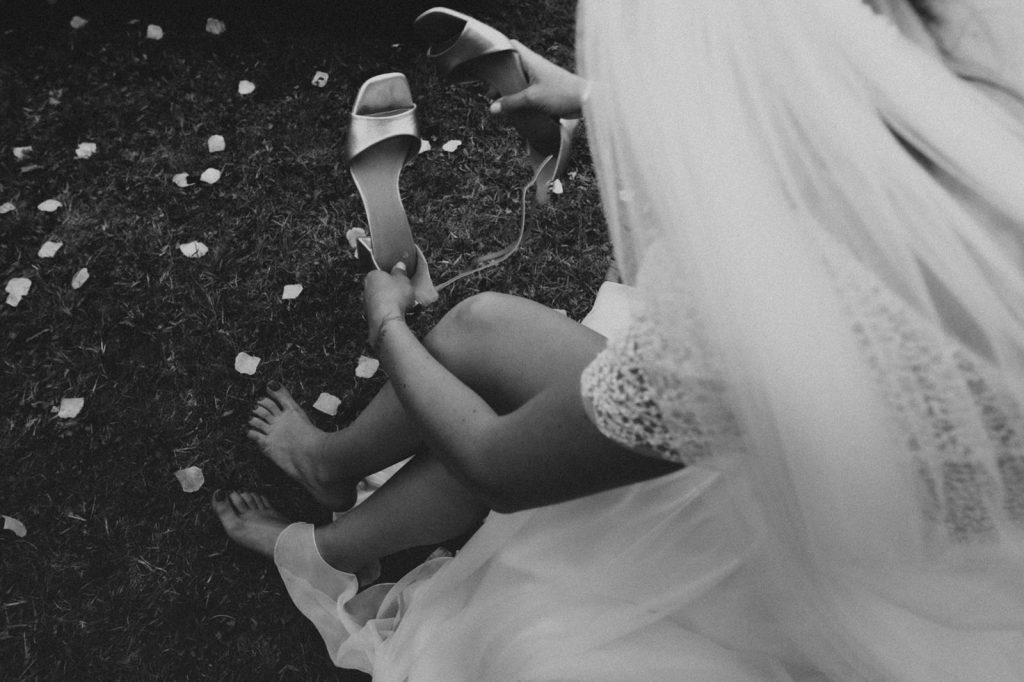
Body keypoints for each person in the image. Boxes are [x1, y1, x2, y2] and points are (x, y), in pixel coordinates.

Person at [214, 0, 1024, 678]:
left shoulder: (760, 317)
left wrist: (387, 319)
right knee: (480, 328)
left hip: (892, 580)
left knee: (522, 564)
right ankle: (329, 466)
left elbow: (501, 464)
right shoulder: (984, 129)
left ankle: (324, 543)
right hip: (889, 462)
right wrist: (598, 103)